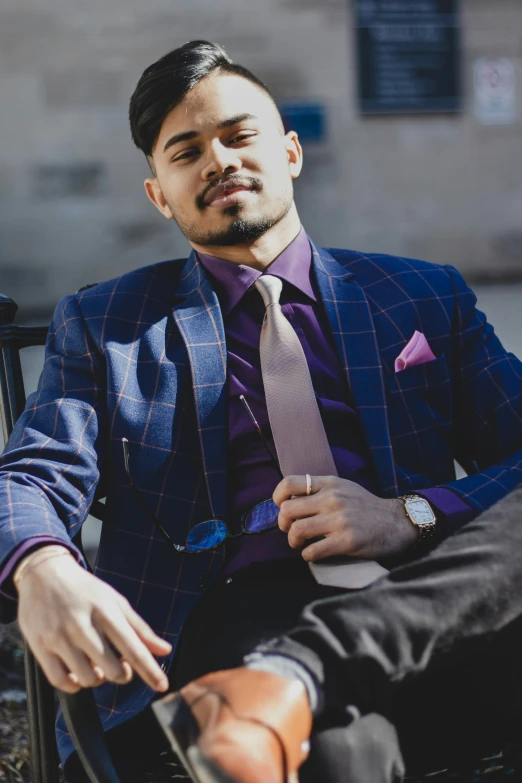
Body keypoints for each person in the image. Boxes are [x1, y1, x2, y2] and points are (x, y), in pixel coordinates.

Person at [0, 39, 521, 781]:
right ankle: (289, 682)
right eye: (187, 151)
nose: (219, 160)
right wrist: (44, 565)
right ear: (160, 194)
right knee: (336, 746)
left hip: (440, 596)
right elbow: (29, 477)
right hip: (239, 617)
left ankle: (300, 673)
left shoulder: (421, 295)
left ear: (290, 152)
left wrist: (410, 514)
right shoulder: (107, 323)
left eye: (239, 135)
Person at [168, 484, 522, 783]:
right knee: (326, 748)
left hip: (445, 577)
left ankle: (304, 667)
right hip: (231, 605)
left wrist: (412, 513)